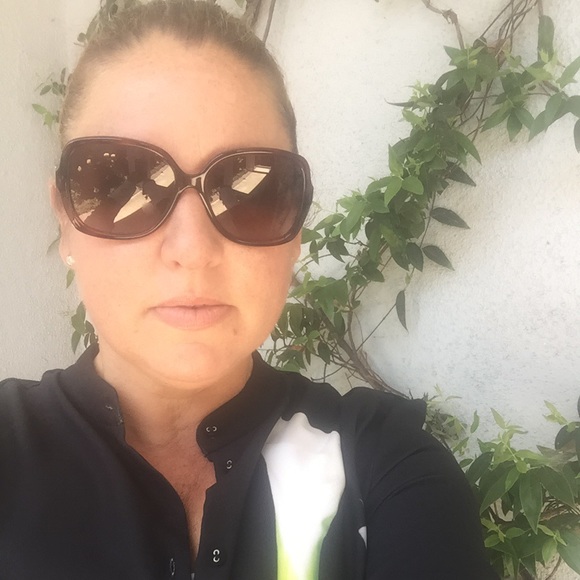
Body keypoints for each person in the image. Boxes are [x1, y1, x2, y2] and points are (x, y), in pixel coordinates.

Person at [0, 2, 497, 578]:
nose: (193, 248)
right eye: (123, 186)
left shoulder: (387, 469)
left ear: (297, 226)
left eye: (251, 192)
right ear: (65, 220)